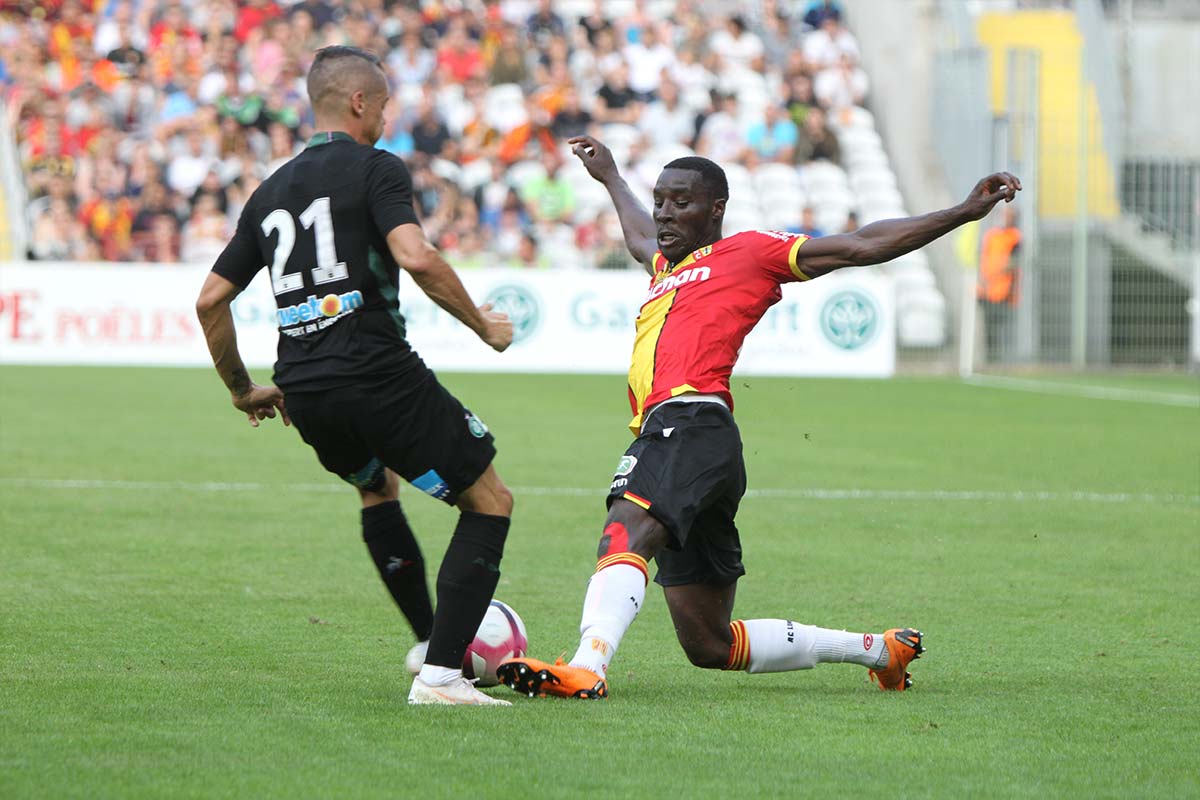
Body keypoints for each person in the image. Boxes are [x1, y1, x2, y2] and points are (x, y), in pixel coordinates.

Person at [497, 134, 1020, 699]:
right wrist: (613, 179)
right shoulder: (665, 264)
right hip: (702, 444)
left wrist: (966, 212)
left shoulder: (749, 252)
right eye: (660, 200)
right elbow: (639, 233)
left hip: (689, 423)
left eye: (681, 202)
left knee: (624, 532)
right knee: (709, 644)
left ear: (715, 208)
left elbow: (861, 245)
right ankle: (880, 650)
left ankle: (588, 666)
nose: (665, 214)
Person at [194, 46, 516, 707]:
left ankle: (433, 643)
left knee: (377, 490)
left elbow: (209, 299)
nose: (388, 118)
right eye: (386, 105)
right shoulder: (377, 169)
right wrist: (483, 326)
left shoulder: (270, 191)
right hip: (375, 373)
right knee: (489, 500)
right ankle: (442, 678)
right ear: (360, 103)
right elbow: (415, 256)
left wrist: (241, 390)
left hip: (304, 390)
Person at [978, 205, 1022, 361]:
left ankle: (998, 359)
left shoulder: (1015, 237)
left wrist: (997, 273)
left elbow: (1014, 261)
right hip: (987, 289)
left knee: (1000, 326)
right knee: (989, 327)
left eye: (1009, 216)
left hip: (1004, 289)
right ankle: (990, 357)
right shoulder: (991, 236)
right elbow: (984, 259)